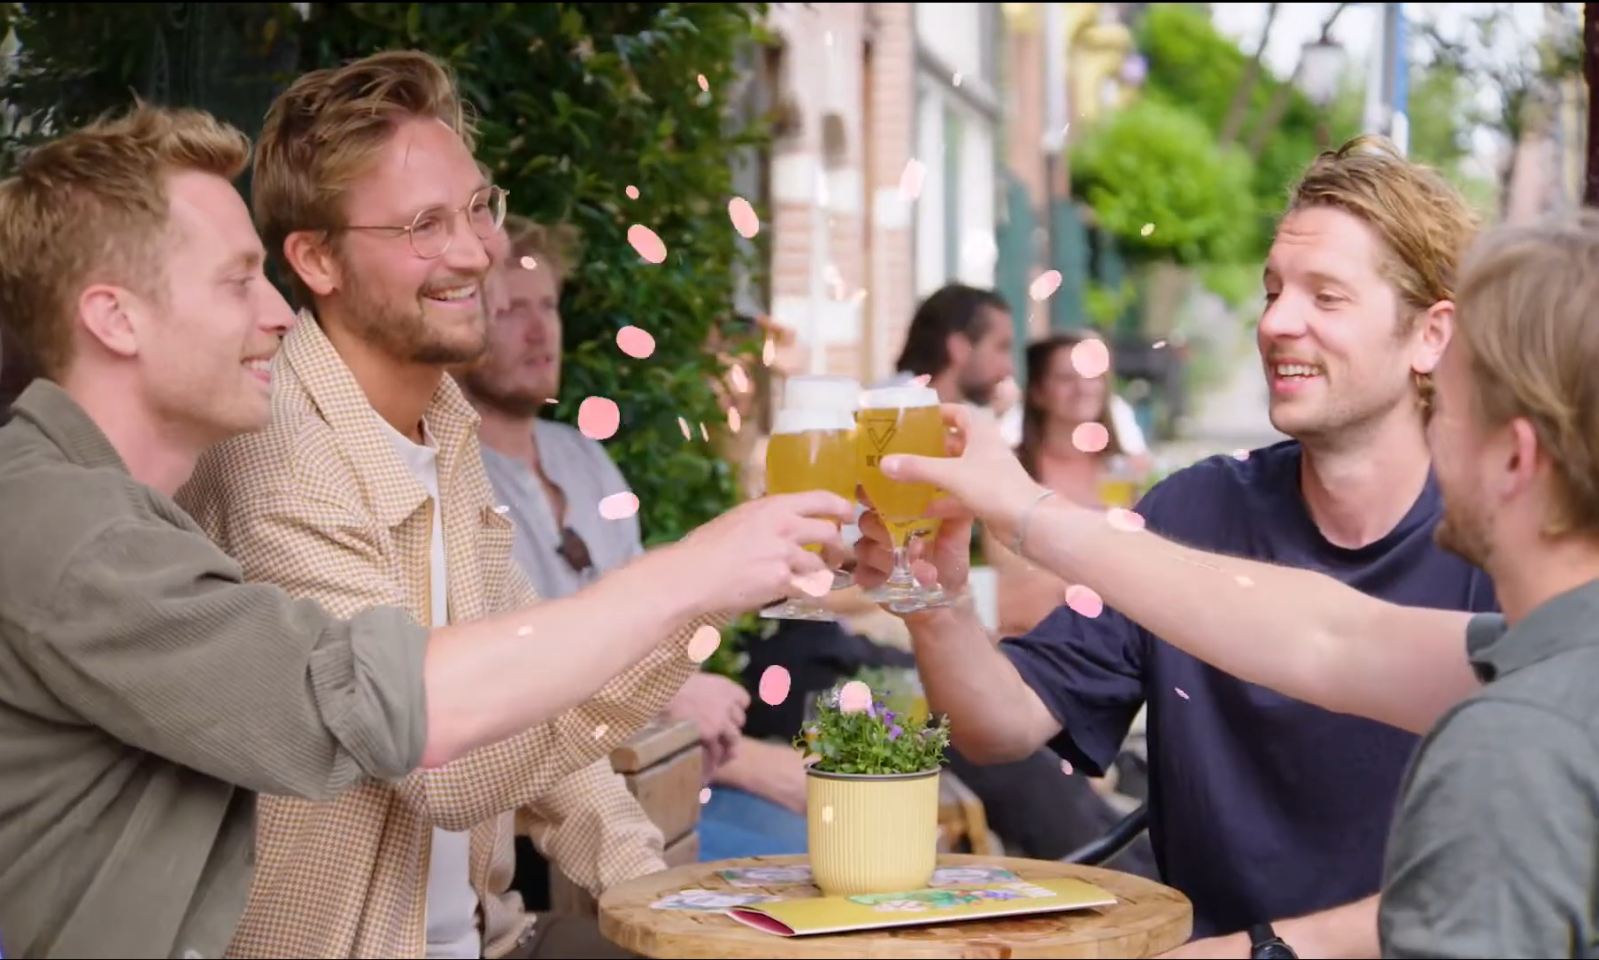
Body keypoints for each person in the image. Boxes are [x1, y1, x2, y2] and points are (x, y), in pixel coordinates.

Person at [0, 103, 847, 960]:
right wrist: (692, 581)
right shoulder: (83, 535)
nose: (278, 314)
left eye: (481, 210)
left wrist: (660, 914)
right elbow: (422, 732)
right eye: (236, 281)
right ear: (114, 318)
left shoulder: (430, 430)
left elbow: (523, 705)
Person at [858, 209, 1599, 957]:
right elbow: (1329, 638)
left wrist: (1254, 950)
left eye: (1460, 405)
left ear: (1514, 459)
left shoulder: (1515, 737)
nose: (1276, 322)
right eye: (1271, 290)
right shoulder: (1546, 662)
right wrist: (964, 571)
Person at [455, 215, 810, 874]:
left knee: (830, 839)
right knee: (799, 861)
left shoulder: (582, 456)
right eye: (508, 311)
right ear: (461, 321)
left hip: (664, 769)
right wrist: (678, 700)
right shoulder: (452, 471)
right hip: (551, 817)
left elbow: (656, 627)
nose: (539, 331)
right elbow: (500, 679)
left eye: (548, 307)